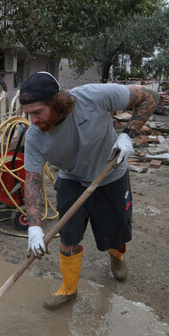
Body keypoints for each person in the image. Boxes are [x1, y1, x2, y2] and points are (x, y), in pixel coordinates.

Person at [20, 72, 155, 310]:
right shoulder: (34, 138)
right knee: (68, 236)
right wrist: (34, 227)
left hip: (111, 173)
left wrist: (127, 134)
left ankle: (116, 255)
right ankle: (69, 288)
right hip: (72, 178)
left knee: (115, 232)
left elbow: (150, 97)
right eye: (28, 114)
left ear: (56, 102)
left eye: (37, 112)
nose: (32, 121)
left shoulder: (94, 97)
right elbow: (31, 182)